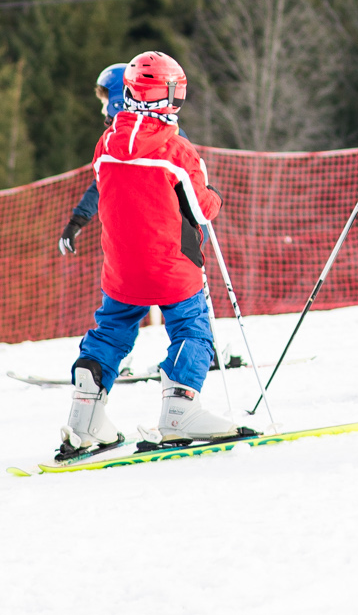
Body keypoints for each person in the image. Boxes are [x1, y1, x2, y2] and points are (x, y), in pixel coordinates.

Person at [57, 52, 236, 461]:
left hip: (121, 269)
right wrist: (213, 192)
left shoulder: (106, 144)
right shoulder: (176, 149)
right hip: (171, 265)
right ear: (166, 96)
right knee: (192, 329)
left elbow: (110, 185)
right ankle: (179, 411)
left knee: (111, 331)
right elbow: (202, 210)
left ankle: (85, 417)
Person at [55, 63, 128, 255]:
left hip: (169, 249)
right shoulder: (113, 142)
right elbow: (102, 183)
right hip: (128, 245)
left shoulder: (166, 138)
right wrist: (76, 222)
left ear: (118, 102)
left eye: (104, 103)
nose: (103, 111)